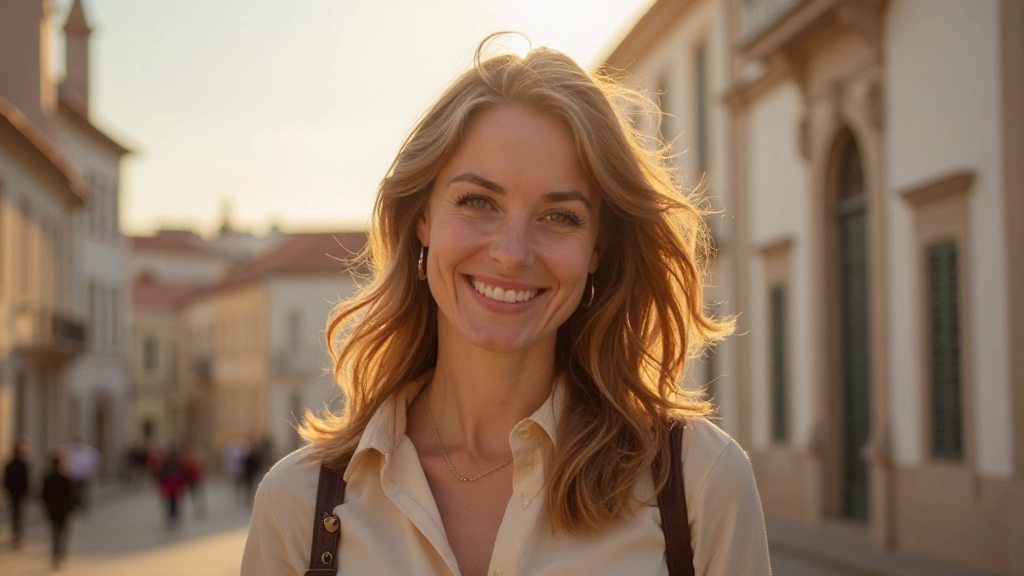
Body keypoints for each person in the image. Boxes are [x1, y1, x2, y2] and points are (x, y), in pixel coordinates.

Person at [242, 34, 771, 575]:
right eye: (478, 202)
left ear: (597, 249)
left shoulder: (700, 483)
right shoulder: (300, 507)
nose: (512, 253)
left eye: (560, 215)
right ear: (421, 219)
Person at [41, 448, 76, 569]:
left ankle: (56, 554)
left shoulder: (47, 477)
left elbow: (43, 495)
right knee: (63, 532)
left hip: (52, 509)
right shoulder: (65, 477)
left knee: (55, 532)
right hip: (64, 510)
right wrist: (72, 508)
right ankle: (61, 554)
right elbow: (71, 496)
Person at [2, 436, 30, 550]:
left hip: (13, 492)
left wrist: (5, 489)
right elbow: (25, 480)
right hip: (18, 492)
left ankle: (16, 536)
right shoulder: (21, 464)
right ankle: (17, 536)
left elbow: (5, 479)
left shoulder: (10, 464)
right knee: (18, 515)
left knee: (15, 514)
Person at [65, 435, 100, 515]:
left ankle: (84, 506)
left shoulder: (90, 451)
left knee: (84, 492)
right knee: (75, 492)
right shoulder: (71, 450)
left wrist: (91, 471)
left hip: (85, 475)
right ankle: (76, 506)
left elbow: (95, 462)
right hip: (74, 475)